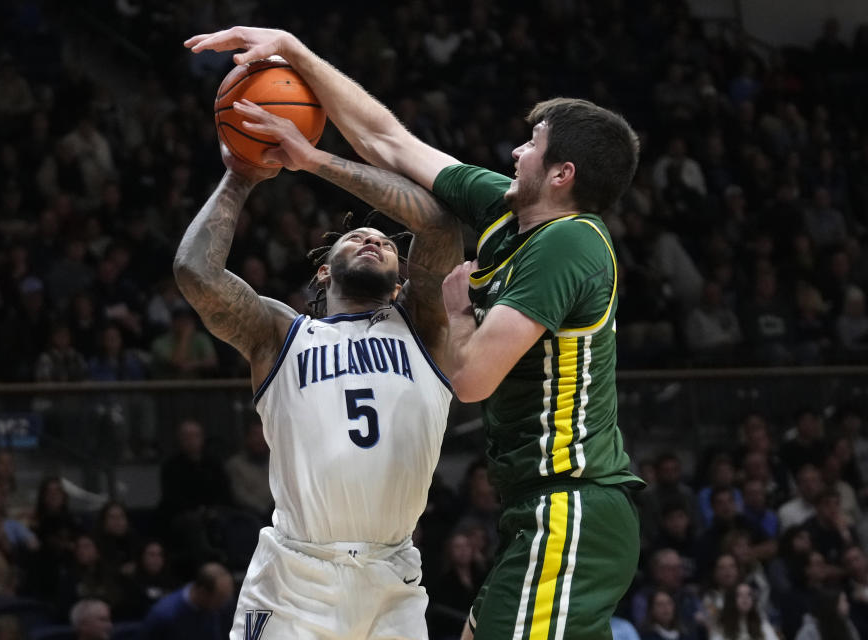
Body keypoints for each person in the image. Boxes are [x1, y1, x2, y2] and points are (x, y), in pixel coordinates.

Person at [186, 25, 643, 639]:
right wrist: (294, 56)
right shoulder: (506, 214)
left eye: (530, 145)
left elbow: (473, 376)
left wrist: (455, 313)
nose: (514, 152)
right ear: (321, 270)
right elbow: (388, 140)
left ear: (561, 174)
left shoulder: (566, 244)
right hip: (350, 556)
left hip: (565, 500)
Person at [172, 98, 461, 637]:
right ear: (324, 273)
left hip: (392, 578)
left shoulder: (423, 327)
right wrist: (239, 176)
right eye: (354, 238)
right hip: (295, 577)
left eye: (385, 242)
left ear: (402, 284)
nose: (373, 237)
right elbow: (195, 271)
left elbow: (440, 223)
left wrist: (313, 159)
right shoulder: (279, 335)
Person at [140, 562, 235, 640]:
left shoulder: (222, 607)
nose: (224, 604)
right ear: (202, 593)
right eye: (220, 599)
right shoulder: (164, 616)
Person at [708, 583, 777, 640]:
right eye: (739, 595)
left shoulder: (761, 624)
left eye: (749, 594)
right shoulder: (721, 627)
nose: (745, 598)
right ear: (731, 600)